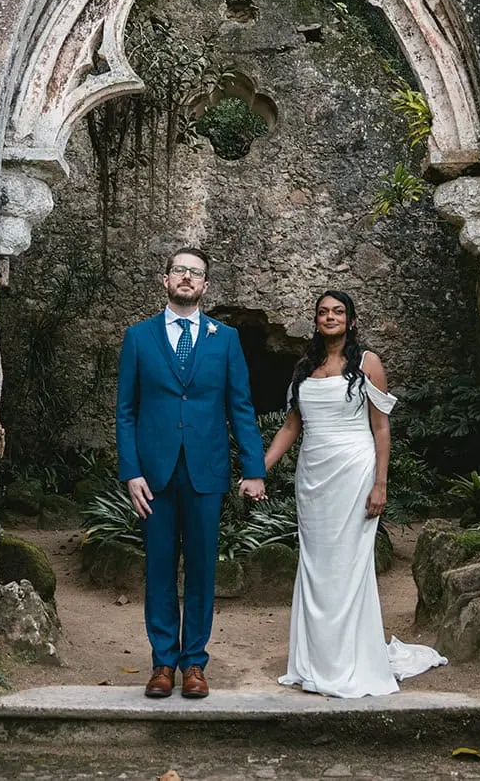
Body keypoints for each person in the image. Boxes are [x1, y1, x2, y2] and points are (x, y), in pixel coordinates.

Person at [262, 290, 446, 697]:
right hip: (313, 478)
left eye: (338, 312)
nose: (330, 317)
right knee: (316, 565)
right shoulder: (304, 367)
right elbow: (292, 427)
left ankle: (349, 661)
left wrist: (380, 483)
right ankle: (314, 660)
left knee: (347, 567)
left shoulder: (368, 364)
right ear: (315, 321)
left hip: (354, 472)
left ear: (351, 320)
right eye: (323, 312)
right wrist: (259, 470)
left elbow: (381, 429)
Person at [115, 247, 267, 699]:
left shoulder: (226, 339)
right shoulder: (138, 338)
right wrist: (131, 472)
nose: (187, 278)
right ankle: (163, 663)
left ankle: (194, 663)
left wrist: (254, 469)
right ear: (165, 280)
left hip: (207, 471)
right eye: (179, 270)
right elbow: (126, 411)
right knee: (160, 568)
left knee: (201, 570)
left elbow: (240, 406)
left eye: (195, 273)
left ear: (205, 285)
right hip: (154, 476)